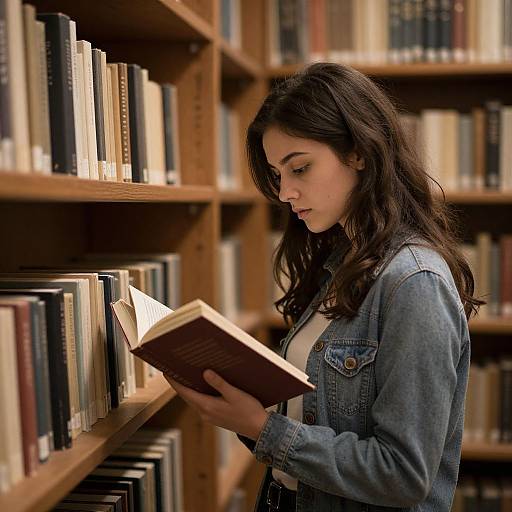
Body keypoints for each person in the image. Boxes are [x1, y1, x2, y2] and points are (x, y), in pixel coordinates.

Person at [166, 62, 481, 511]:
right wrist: (242, 408)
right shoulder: (343, 262)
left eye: (300, 168)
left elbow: (403, 474)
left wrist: (263, 429)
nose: (284, 192)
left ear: (360, 153)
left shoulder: (415, 282)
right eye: (277, 174)